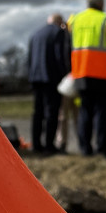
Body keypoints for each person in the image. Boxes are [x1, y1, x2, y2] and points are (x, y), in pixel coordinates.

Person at [67, 0, 106, 157]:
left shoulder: (74, 20)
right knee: (103, 113)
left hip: (81, 74)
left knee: (85, 111)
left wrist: (70, 71)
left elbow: (67, 49)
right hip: (104, 75)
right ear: (101, 3)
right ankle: (102, 148)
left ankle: (85, 148)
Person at [27, 13, 69, 152]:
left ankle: (36, 144)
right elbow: (60, 56)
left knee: (37, 112)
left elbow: (30, 59)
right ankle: (49, 146)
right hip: (52, 78)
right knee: (52, 112)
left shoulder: (35, 34)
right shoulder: (59, 32)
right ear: (60, 22)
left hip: (36, 78)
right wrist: (65, 74)